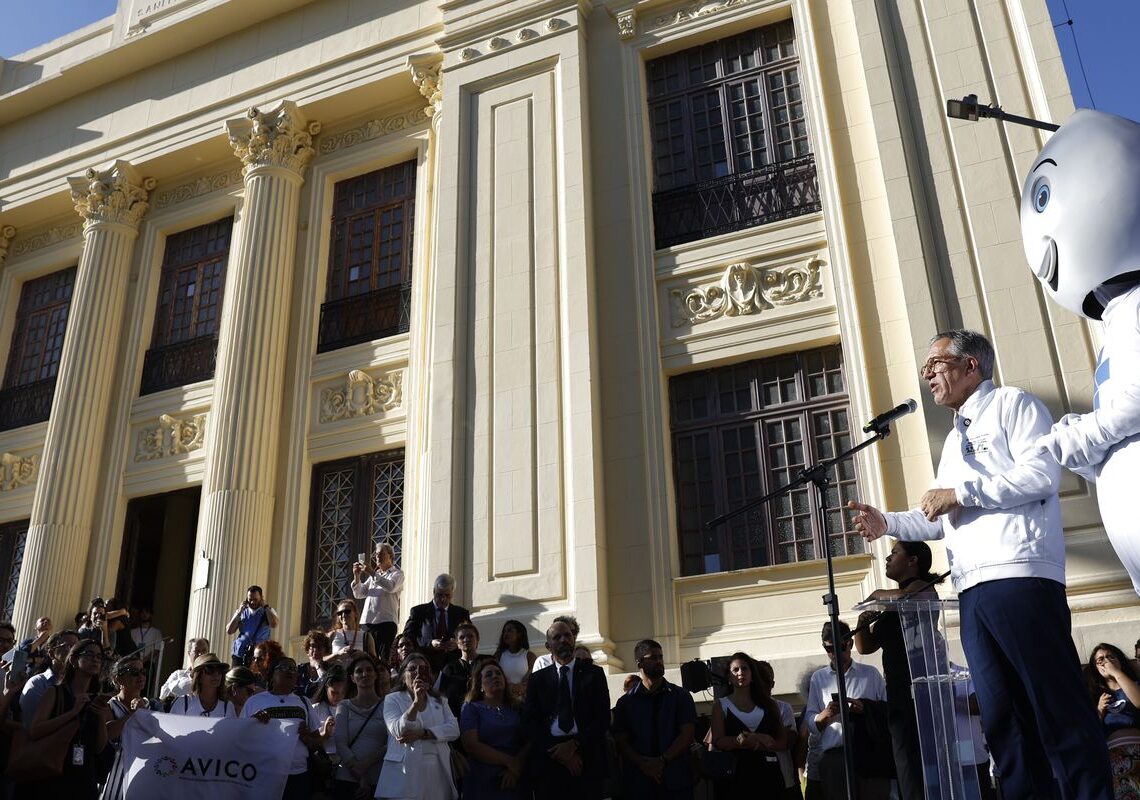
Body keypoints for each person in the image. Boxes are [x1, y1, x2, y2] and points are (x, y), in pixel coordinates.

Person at [850, 329, 1113, 800]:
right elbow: (938, 513)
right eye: (925, 366)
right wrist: (886, 520)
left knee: (1056, 709)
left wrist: (962, 492)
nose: (927, 373)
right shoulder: (954, 441)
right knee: (1003, 720)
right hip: (972, 590)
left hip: (1020, 576)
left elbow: (1041, 475)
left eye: (937, 363)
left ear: (972, 365)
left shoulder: (1014, 405)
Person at [852, 540, 943, 800]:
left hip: (919, 685)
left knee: (914, 757)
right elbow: (865, 647)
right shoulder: (891, 604)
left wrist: (876, 595)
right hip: (897, 687)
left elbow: (908, 597)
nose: (888, 558)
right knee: (903, 760)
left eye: (894, 553)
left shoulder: (922, 589)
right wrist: (862, 619)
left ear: (913, 560)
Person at [523, 618, 610, 800]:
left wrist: (574, 745)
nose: (563, 640)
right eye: (557, 637)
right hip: (549, 758)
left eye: (567, 635)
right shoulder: (537, 679)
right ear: (548, 646)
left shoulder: (594, 674)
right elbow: (531, 722)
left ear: (573, 639)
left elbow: (602, 718)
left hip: (586, 757)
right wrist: (560, 752)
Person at [802, 620, 887, 800]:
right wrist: (822, 717)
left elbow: (887, 709)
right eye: (829, 649)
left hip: (868, 753)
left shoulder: (870, 674)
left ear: (849, 643)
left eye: (839, 647)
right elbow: (809, 718)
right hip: (835, 755)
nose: (834, 654)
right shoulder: (819, 678)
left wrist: (865, 708)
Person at [612, 639, 696, 800]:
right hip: (639, 782)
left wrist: (662, 761)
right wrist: (644, 765)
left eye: (660, 657)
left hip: (676, 780)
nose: (659, 661)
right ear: (639, 662)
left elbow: (687, 735)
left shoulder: (681, 696)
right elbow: (621, 741)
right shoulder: (625, 703)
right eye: (653, 657)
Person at [28, 640, 112, 799]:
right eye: (89, 654)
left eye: (99, 657)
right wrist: (72, 713)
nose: (95, 659)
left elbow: (99, 748)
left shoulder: (98, 701)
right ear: (73, 660)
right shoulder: (55, 693)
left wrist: (101, 718)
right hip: (53, 773)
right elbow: (35, 731)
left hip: (85, 778)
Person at [240, 656, 322, 800]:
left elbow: (317, 742)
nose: (290, 671)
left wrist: (307, 737)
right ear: (272, 675)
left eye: (293, 669)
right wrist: (253, 723)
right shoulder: (254, 701)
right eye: (284, 667)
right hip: (264, 774)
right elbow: (240, 739)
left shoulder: (304, 702)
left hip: (298, 775)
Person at [380, 652, 459, 799]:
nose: (418, 673)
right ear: (403, 676)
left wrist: (424, 733)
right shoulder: (392, 699)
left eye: (423, 669)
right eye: (412, 669)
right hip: (405, 772)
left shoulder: (440, 701)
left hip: (436, 771)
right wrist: (416, 703)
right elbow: (398, 731)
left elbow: (454, 729)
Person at [709, 652, 786, 800]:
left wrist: (758, 741)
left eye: (745, 669)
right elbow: (718, 741)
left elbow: (782, 742)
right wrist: (737, 741)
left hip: (768, 775)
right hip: (735, 776)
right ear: (729, 677)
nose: (740, 673)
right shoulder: (720, 706)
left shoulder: (770, 705)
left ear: (752, 674)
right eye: (735, 670)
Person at [460, 657, 529, 799]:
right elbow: (471, 744)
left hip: (515, 779)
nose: (495, 676)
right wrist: (510, 762)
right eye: (488, 675)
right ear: (479, 684)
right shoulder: (471, 707)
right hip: (483, 782)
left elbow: (530, 740)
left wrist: (516, 768)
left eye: (498, 673)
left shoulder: (518, 707)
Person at [100, 655, 160, 799]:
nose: (141, 676)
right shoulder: (109, 706)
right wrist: (134, 713)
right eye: (134, 672)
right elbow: (108, 733)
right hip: (114, 779)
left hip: (143, 778)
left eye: (143, 672)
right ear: (118, 679)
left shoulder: (153, 706)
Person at [334, 654, 388, 799]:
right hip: (346, 779)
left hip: (379, 780)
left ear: (376, 675)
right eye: (359, 671)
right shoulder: (343, 706)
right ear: (352, 678)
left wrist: (364, 766)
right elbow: (340, 742)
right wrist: (360, 773)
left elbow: (390, 743)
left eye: (369, 670)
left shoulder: (388, 705)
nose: (365, 674)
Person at [1089, 643, 1140, 796]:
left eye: (1111, 656)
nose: (1106, 661)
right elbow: (1092, 733)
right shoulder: (1095, 697)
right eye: (1100, 660)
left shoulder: (1134, 685)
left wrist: (1116, 673)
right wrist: (1099, 712)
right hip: (1115, 757)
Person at [402, 574, 471, 675]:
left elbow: (470, 636)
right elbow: (408, 636)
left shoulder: (461, 614)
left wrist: (457, 643)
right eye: (439, 595)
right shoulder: (419, 612)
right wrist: (430, 643)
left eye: (447, 595)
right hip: (426, 665)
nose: (443, 599)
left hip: (453, 668)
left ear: (452, 593)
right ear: (433, 591)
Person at [756, 660, 801, 800]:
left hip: (783, 779)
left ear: (773, 684)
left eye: (767, 680)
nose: (763, 685)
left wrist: (756, 738)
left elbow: (788, 740)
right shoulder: (743, 709)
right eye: (759, 680)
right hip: (755, 780)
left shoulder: (783, 708)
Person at [352, 542, 404, 662]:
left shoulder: (397, 574)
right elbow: (359, 594)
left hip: (385, 623)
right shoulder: (373, 576)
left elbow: (390, 587)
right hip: (368, 622)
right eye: (376, 555)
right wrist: (357, 577)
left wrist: (372, 572)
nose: (378, 557)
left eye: (381, 554)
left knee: (384, 659)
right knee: (366, 659)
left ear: (390, 556)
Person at [20, 629, 78, 727]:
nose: (73, 651)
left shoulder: (78, 683)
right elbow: (32, 725)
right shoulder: (37, 683)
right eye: (67, 646)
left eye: (76, 647)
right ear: (51, 653)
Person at [310, 664, 347, 793]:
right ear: (326, 688)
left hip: (345, 767)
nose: (338, 697)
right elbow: (308, 743)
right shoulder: (315, 709)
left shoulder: (350, 708)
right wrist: (324, 734)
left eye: (342, 693)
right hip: (321, 766)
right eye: (334, 693)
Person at [170, 653, 236, 718]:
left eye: (219, 670)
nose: (216, 674)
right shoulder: (182, 703)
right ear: (198, 676)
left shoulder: (228, 707)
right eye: (210, 670)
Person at [226, 585, 278, 667]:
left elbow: (274, 624)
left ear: (261, 598)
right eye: (250, 600)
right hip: (240, 654)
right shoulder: (241, 611)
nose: (252, 602)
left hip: (259, 655)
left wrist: (266, 607)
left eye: (255, 599)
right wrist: (239, 613)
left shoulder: (268, 611)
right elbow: (229, 631)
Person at [438, 621, 482, 718]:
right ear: (457, 643)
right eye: (462, 637)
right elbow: (442, 697)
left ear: (477, 640)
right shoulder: (449, 668)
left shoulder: (488, 661)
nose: (466, 639)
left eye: (470, 636)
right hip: (459, 717)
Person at [493, 621, 536, 701]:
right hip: (504, 700)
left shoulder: (529, 656)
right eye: (504, 631)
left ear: (519, 634)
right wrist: (509, 686)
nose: (506, 634)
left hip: (525, 700)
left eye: (509, 630)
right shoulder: (498, 655)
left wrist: (522, 687)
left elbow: (533, 678)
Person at [158, 637, 209, 701]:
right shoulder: (178, 674)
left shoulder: (215, 676)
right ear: (189, 653)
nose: (200, 654)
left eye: (204, 651)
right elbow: (163, 695)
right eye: (197, 651)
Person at [128, 606, 162, 683]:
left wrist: (143, 660)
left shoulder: (156, 632)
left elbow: (157, 650)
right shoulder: (133, 632)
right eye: (142, 612)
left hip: (148, 664)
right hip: (133, 662)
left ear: (151, 615)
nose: (144, 615)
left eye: (147, 612)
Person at [298, 629, 333, 699]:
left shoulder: (331, 670)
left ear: (326, 651)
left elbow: (329, 686)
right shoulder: (299, 669)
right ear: (307, 650)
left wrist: (318, 666)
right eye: (312, 646)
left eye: (319, 646)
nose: (315, 650)